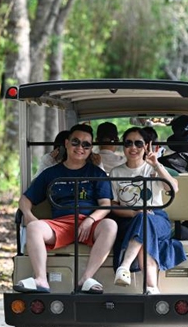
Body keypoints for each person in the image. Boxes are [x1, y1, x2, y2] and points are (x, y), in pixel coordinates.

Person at [16, 124, 118, 293]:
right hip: (60, 224)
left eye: (86, 145)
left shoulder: (96, 173)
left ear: (91, 148)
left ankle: (86, 279)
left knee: (110, 225)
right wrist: (28, 214)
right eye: (76, 142)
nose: (80, 148)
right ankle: (41, 279)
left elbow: (105, 205)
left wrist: (90, 220)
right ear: (66, 143)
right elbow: (25, 199)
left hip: (89, 224)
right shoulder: (51, 173)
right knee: (33, 227)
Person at [110, 127, 185, 295]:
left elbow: (173, 188)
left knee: (146, 221)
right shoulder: (116, 172)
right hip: (129, 219)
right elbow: (114, 206)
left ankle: (124, 266)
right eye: (128, 143)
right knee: (143, 224)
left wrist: (156, 164)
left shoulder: (153, 169)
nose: (133, 148)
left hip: (158, 218)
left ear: (146, 146)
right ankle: (151, 286)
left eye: (138, 143)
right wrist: (134, 213)